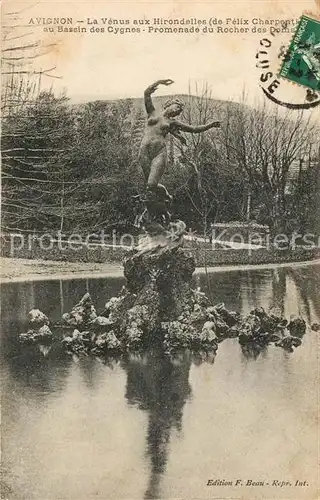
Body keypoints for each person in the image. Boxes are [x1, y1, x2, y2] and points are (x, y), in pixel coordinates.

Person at [139, 79, 220, 195]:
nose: (178, 111)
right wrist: (160, 82)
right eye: (177, 107)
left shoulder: (172, 123)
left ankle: (165, 197)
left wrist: (210, 125)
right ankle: (164, 198)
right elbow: (146, 93)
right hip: (144, 151)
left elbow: (194, 129)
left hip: (159, 152)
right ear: (169, 104)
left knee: (151, 185)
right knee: (149, 187)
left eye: (179, 111)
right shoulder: (152, 112)